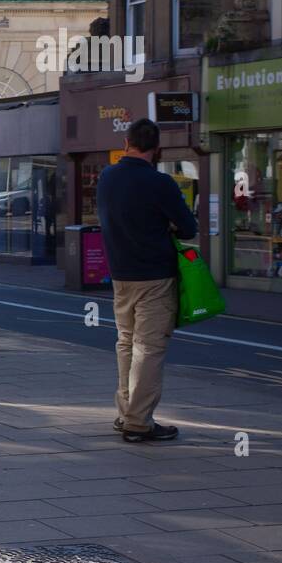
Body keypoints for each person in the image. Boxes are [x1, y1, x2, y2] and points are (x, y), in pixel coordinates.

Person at [97, 118, 198, 444]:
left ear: (126, 143)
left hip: (120, 276)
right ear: (157, 149)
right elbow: (188, 228)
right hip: (155, 276)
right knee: (149, 349)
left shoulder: (107, 178)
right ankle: (139, 423)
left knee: (126, 343)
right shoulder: (160, 183)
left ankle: (127, 412)